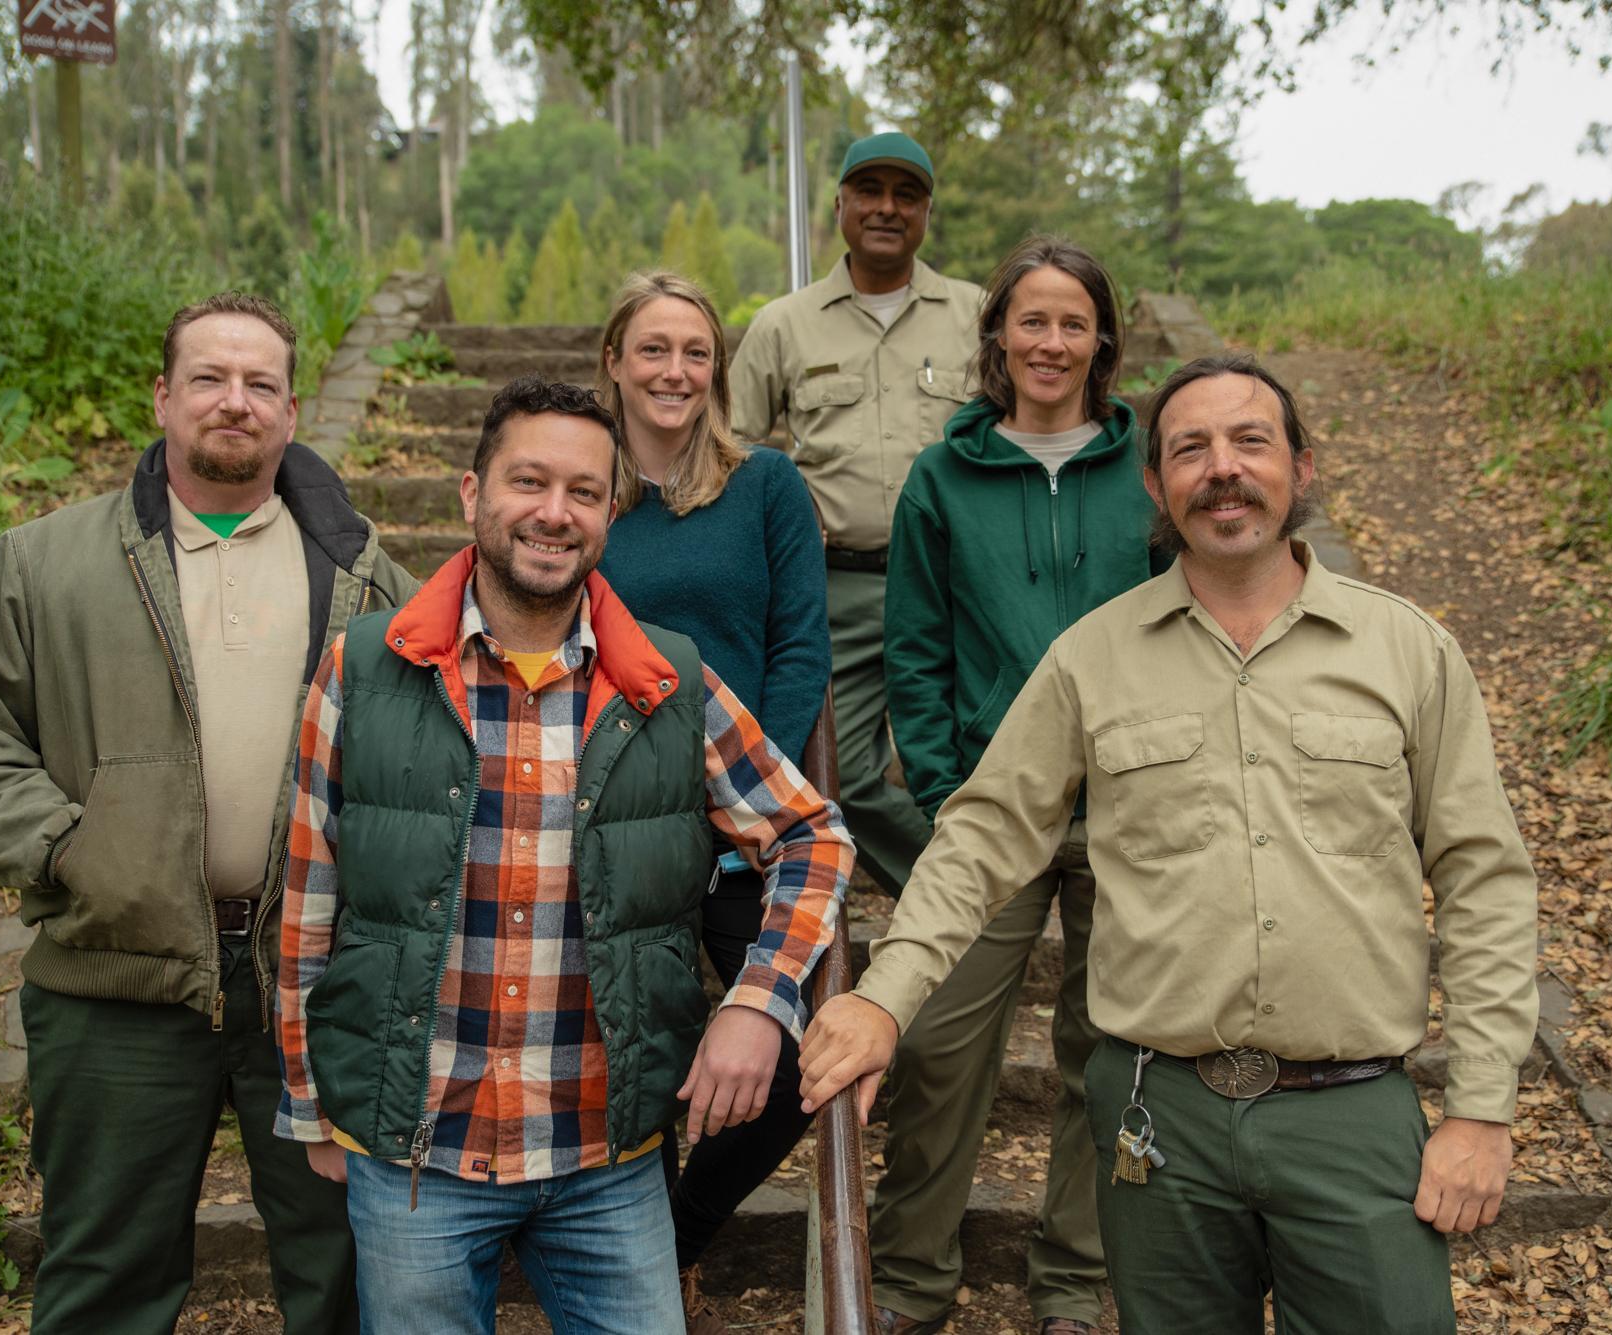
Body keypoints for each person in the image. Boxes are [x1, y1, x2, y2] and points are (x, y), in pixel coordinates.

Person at [800, 354, 1540, 1334]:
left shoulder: (1404, 650)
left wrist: (1481, 1106)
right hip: (1159, 1119)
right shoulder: (1091, 658)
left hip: (1353, 1116)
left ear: (1301, 467)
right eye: (1188, 448)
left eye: (1248, 442)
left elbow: (1482, 877)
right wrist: (879, 1001)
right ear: (1154, 484)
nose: (1219, 469)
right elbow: (981, 837)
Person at [273, 375, 854, 1335]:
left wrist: (760, 996)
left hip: (607, 1157)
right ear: (472, 495)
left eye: (583, 492)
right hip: (414, 1154)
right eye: (527, 482)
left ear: (609, 513)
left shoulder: (667, 680)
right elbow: (307, 903)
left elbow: (812, 833)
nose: (554, 512)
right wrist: (307, 1106)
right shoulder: (364, 668)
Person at [0, 291, 418, 1334]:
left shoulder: (363, 574)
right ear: (163, 396)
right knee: (108, 1281)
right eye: (209, 379)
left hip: (316, 985)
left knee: (350, 1274)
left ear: (290, 409)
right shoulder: (45, 562)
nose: (234, 403)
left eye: (260, 384)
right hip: (114, 985)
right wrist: (63, 847)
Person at [868, 236, 1169, 1335]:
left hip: (1133, 812)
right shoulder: (943, 479)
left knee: (1108, 1056)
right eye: (1029, 320)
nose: (1049, 342)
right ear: (995, 334)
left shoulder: (1148, 474)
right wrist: (949, 784)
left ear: (1101, 341)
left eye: (1071, 323)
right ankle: (905, 1280)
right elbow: (914, 648)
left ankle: (1071, 1282)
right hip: (990, 808)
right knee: (940, 1044)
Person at [592, 271, 833, 1332]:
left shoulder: (765, 486)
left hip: (742, 822)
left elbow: (799, 649)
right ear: (613, 363)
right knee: (616, 1045)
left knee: (790, 1061)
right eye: (652, 349)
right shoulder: (579, 490)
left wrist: (750, 799)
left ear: (718, 371)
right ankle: (605, 1249)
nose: (673, 371)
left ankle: (672, 1236)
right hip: (606, 826)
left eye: (694, 352)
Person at [730, 129, 983, 897]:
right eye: (868, 191)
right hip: (841, 586)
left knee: (980, 763)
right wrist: (782, 494)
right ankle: (967, 899)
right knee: (847, 773)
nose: (886, 208)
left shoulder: (977, 314)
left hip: (958, 579)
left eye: (906, 194)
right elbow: (728, 445)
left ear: (927, 212)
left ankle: (984, 901)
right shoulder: (785, 324)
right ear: (838, 204)